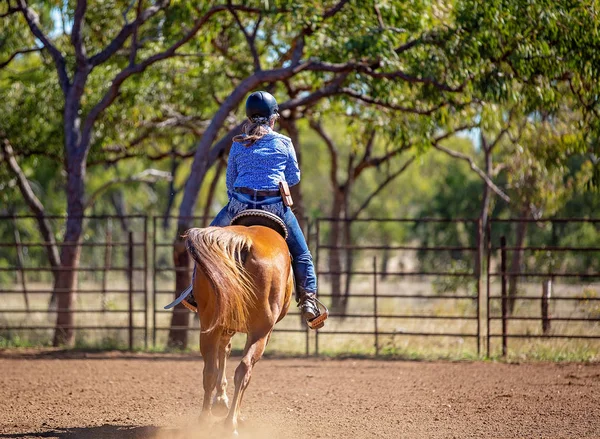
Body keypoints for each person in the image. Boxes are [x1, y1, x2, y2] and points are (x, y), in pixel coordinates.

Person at [208, 90, 321, 326]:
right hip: (275, 207)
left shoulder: (238, 145)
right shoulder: (284, 142)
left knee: (206, 244)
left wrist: (239, 200)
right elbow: (294, 177)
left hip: (239, 205)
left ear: (249, 119)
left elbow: (230, 181)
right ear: (273, 118)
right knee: (302, 254)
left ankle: (194, 292)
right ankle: (309, 299)